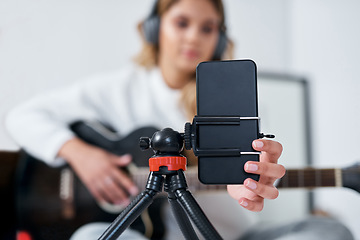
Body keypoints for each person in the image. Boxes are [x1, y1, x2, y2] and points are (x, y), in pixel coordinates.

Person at [5, 0, 353, 240]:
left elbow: (251, 180)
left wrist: (244, 181)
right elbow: (22, 117)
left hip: (228, 234)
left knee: (330, 231)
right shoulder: (118, 88)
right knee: (88, 236)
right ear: (154, 29)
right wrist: (80, 154)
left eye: (208, 28)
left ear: (220, 38)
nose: (193, 38)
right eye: (182, 23)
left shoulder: (233, 100)